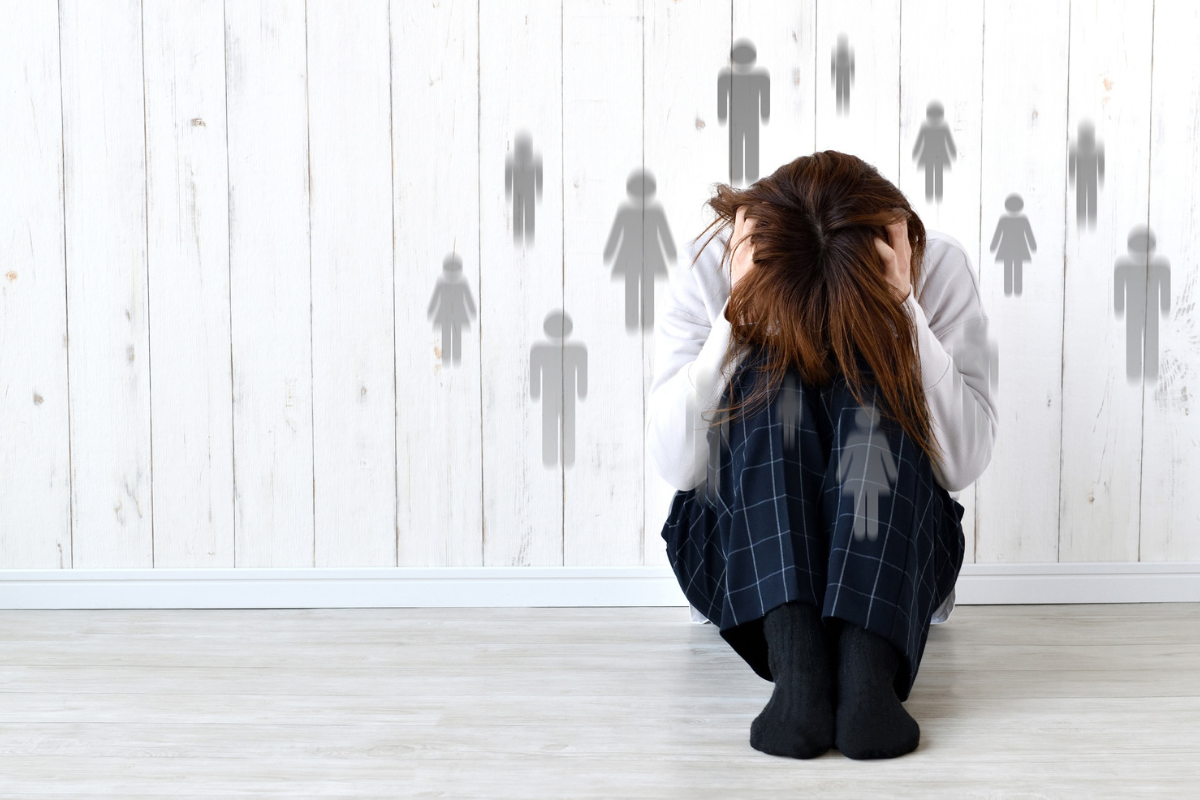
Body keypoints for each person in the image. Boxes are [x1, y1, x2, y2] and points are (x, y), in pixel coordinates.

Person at [647, 150, 997, 760]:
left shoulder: (937, 265)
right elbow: (679, 468)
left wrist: (903, 317)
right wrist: (734, 324)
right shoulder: (717, 267)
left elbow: (960, 465)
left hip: (899, 567)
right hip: (739, 561)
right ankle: (797, 665)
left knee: (874, 380)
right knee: (772, 380)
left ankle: (867, 669)